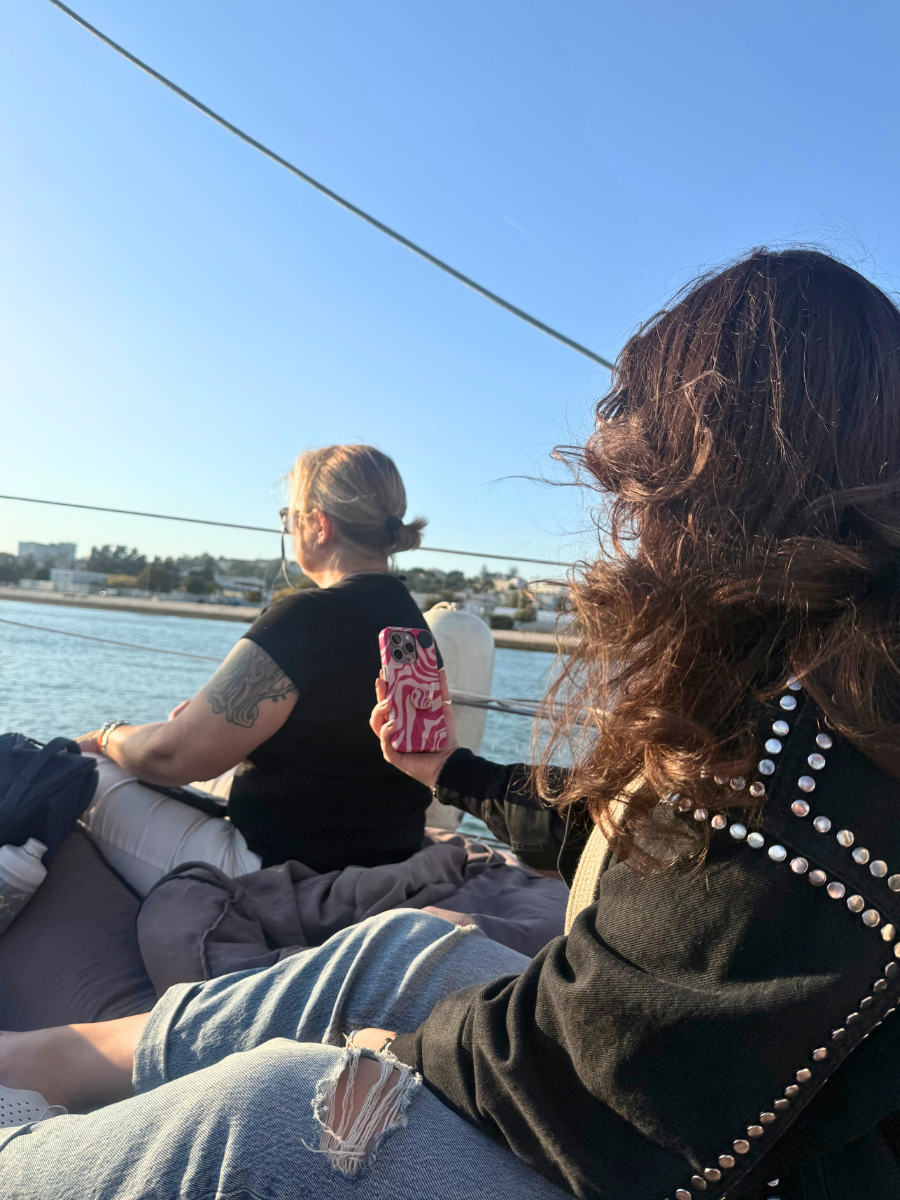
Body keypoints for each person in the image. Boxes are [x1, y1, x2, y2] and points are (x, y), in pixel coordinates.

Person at [4, 249, 900, 1199]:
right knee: (396, 949)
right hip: (627, 1072)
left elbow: (600, 1077)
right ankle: (45, 1059)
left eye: (650, 487)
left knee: (275, 1115)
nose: (630, 522)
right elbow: (646, 844)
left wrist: (403, 1051)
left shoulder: (816, 746)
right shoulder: (802, 683)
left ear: (720, 481)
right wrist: (445, 769)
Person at [75, 444, 436, 894]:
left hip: (281, 872)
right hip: (382, 861)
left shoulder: (306, 616)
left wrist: (108, 735)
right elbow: (340, 734)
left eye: (291, 517)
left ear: (319, 525)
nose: (290, 528)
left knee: (86, 774)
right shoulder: (410, 623)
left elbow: (169, 757)